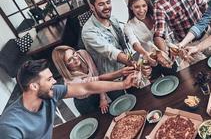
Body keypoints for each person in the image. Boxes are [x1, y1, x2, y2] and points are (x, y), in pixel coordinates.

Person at [0, 59, 136, 139]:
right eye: (49, 79)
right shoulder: (10, 126)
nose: (54, 82)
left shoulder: (50, 93)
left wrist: (123, 84)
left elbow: (86, 87)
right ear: (34, 86)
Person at [81, 0, 152, 75]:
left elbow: (125, 47)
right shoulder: (88, 31)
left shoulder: (113, 20)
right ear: (92, 7)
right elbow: (111, 52)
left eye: (108, 2)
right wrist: (137, 64)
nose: (106, 7)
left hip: (130, 69)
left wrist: (139, 62)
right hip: (115, 78)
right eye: (101, 4)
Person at [52, 45, 135, 114]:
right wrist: (120, 73)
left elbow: (96, 74)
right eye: (70, 60)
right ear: (64, 66)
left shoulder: (82, 53)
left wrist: (103, 97)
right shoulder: (71, 82)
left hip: (98, 86)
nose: (75, 58)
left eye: (74, 53)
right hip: (86, 101)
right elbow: (96, 81)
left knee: (121, 104)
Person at [124, 0, 177, 78]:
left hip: (166, 55)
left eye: (144, 6)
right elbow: (134, 43)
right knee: (157, 87)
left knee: (176, 79)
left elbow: (166, 36)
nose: (141, 10)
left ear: (148, 5)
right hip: (150, 62)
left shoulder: (157, 16)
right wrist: (145, 54)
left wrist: (170, 50)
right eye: (137, 7)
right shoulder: (128, 26)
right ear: (130, 7)